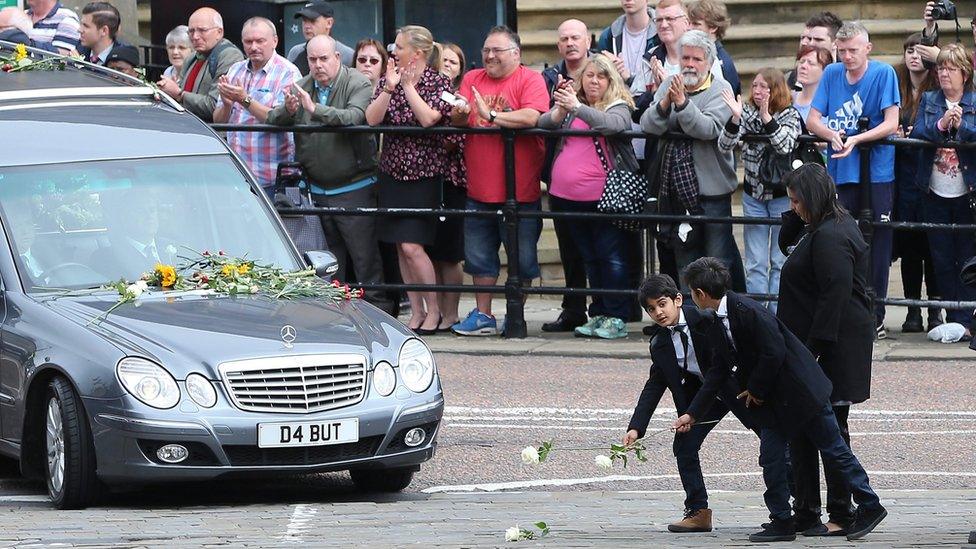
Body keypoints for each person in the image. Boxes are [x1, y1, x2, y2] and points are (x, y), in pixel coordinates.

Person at [678, 256, 888, 542]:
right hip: (778, 401)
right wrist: (693, 413)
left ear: (700, 294)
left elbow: (774, 352)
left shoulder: (747, 311)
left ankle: (869, 504)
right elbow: (718, 369)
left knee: (833, 448)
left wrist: (755, 389)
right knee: (772, 456)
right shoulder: (717, 319)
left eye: (691, 292)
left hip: (802, 392)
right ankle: (781, 519)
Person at [775, 163, 875, 537]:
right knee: (810, 425)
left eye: (797, 200)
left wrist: (812, 351)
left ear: (813, 199)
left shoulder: (832, 234)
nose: (794, 207)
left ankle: (841, 510)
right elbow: (788, 243)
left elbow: (833, 296)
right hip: (819, 341)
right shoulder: (819, 226)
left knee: (831, 427)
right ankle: (811, 509)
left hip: (832, 345)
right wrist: (795, 210)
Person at [625, 273, 760, 534]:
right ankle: (698, 511)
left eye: (662, 304)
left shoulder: (705, 319)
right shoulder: (660, 342)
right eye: (651, 309)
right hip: (703, 397)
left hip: (737, 387)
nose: (659, 312)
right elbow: (654, 385)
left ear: (677, 299)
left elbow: (725, 364)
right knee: (684, 445)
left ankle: (800, 505)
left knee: (771, 437)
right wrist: (636, 427)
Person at [268, 35, 391, 315]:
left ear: (337, 57)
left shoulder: (357, 82)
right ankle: (336, 314)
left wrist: (314, 109)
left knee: (364, 255)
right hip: (316, 187)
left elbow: (354, 117)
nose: (318, 65)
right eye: (312, 60)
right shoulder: (301, 86)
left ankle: (378, 312)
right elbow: (273, 119)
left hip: (353, 185)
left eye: (324, 59)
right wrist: (287, 111)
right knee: (329, 257)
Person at [449, 26, 549, 336]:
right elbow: (458, 120)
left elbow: (532, 116)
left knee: (523, 258)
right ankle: (483, 315)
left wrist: (491, 116)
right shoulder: (471, 79)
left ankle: (515, 315)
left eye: (498, 51)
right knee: (479, 259)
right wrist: (463, 113)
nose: (490, 56)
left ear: (516, 54)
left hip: (520, 190)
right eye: (486, 50)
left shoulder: (530, 79)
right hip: (478, 188)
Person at [804, 21, 900, 339]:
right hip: (841, 171)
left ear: (867, 49)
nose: (847, 57)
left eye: (853, 51)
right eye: (841, 51)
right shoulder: (831, 74)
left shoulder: (883, 73)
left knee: (877, 243)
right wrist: (831, 133)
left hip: (877, 171)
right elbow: (813, 118)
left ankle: (876, 312)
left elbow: (891, 122)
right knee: (838, 241)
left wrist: (858, 139)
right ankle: (844, 308)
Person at [538, 55, 637, 340]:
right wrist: (560, 109)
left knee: (611, 257)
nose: (594, 81)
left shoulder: (617, 105)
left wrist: (578, 106)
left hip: (603, 198)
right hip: (565, 196)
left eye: (600, 77)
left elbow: (613, 125)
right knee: (590, 258)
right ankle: (599, 313)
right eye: (589, 75)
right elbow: (545, 123)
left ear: (610, 81)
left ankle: (616, 315)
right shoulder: (570, 107)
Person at [640, 29, 746, 292]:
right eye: (685, 58)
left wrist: (682, 104)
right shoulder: (670, 85)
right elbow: (648, 125)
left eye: (696, 59)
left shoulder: (721, 90)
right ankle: (693, 321)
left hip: (712, 193)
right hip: (674, 193)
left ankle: (723, 320)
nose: (689, 64)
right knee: (685, 262)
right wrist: (665, 101)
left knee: (717, 262)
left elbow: (707, 129)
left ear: (709, 63)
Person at [366, 25, 453, 335]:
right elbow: (372, 119)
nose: (393, 52)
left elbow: (430, 119)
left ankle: (435, 310)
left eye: (399, 47)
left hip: (423, 175)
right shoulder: (386, 80)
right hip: (392, 172)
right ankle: (416, 311)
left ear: (416, 53)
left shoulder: (440, 82)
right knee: (401, 247)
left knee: (414, 246)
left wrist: (409, 87)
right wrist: (390, 88)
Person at [718, 68, 800, 311]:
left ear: (776, 89)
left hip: (780, 196)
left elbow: (785, 145)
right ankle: (757, 315)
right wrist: (735, 118)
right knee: (755, 262)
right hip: (753, 195)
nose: (758, 91)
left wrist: (767, 118)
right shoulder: (746, 114)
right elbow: (724, 145)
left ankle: (775, 314)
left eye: (764, 86)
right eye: (754, 85)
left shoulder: (789, 115)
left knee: (779, 259)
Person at [911, 43, 976, 339]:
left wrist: (962, 128)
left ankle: (966, 318)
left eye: (950, 68)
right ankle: (953, 315)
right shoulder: (929, 99)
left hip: (967, 191)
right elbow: (917, 133)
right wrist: (940, 123)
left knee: (966, 255)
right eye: (941, 68)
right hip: (934, 190)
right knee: (940, 256)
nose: (944, 73)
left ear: (965, 73)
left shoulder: (974, 100)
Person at [540, 19, 592, 333]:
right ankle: (573, 309)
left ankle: (606, 309)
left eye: (575, 37)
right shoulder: (549, 78)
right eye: (564, 38)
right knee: (569, 248)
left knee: (598, 248)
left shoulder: (601, 70)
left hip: (598, 178)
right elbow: (543, 119)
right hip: (561, 175)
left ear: (588, 41)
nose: (570, 43)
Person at [212, 17, 301, 193]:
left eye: (260, 41)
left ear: (275, 41)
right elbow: (218, 120)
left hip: (272, 177)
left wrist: (244, 99)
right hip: (237, 174)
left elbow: (279, 118)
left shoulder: (288, 72)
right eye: (248, 42)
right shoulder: (235, 69)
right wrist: (228, 105)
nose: (253, 47)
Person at [895, 33, 942, 333]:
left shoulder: (937, 89)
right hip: (903, 176)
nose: (914, 56)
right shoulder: (896, 86)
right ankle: (912, 309)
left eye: (918, 50)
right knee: (910, 245)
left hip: (929, 173)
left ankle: (935, 309)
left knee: (933, 245)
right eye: (909, 51)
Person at [425, 41, 467, 332]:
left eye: (453, 62)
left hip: (452, 180)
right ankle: (435, 310)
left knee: (450, 252)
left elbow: (455, 141)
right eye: (443, 61)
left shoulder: (461, 98)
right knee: (433, 250)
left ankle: (451, 313)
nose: (448, 65)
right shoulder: (426, 94)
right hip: (427, 179)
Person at [156, 7, 245, 122]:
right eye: (191, 31)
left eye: (202, 30)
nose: (195, 36)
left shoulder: (229, 56)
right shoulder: (191, 58)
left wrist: (179, 94)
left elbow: (215, 106)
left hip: (212, 133)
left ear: (219, 32)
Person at [596, 0, 659, 95]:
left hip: (652, 102)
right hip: (618, 102)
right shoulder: (608, 36)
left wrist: (628, 78)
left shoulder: (661, 33)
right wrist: (610, 69)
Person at [687, 0, 740, 95]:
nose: (689, 28)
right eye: (689, 23)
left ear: (713, 27)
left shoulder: (720, 62)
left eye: (696, 24)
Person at [287, 1, 354, 75]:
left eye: (312, 21)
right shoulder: (295, 53)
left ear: (329, 23)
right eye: (304, 20)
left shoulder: (347, 55)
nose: (307, 26)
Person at [787, 11, 843, 90]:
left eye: (818, 40)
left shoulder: (846, 73)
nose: (811, 43)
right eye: (810, 39)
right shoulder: (796, 75)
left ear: (835, 43)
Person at [791, 45, 832, 126]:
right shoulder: (786, 99)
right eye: (802, 62)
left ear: (825, 71)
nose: (803, 66)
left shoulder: (831, 104)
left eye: (811, 63)